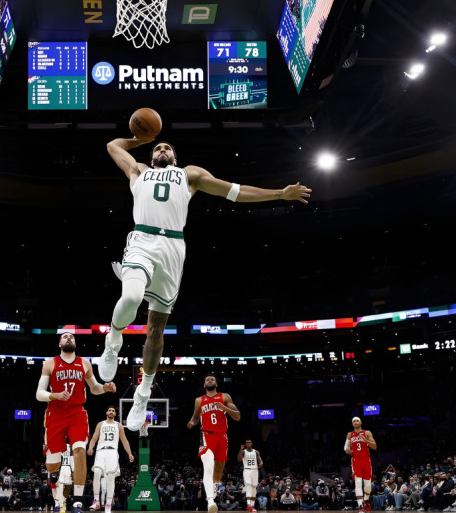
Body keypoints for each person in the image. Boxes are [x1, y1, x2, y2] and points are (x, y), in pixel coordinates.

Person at [98, 136, 311, 430]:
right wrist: (138, 138)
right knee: (132, 297)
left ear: (174, 157)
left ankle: (143, 393)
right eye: (157, 147)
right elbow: (112, 146)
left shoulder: (190, 175)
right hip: (142, 239)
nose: (162, 149)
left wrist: (279, 194)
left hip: (173, 248)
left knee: (156, 331)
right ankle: (113, 341)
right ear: (151, 156)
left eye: (167, 147)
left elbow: (235, 192)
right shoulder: (138, 170)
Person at [36, 332, 117, 513]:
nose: (69, 339)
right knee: (52, 464)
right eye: (65, 337)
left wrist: (104, 388)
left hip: (77, 413)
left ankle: (77, 505)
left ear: (75, 343)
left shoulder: (85, 363)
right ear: (59, 343)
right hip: (55, 414)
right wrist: (54, 395)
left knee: (79, 450)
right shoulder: (50, 363)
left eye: (72, 337)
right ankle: (51, 462)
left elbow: (94, 387)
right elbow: (39, 393)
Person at [187, 373, 241, 513]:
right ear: (204, 385)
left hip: (222, 436)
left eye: (212, 379)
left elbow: (237, 416)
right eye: (207, 379)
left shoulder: (224, 397)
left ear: (216, 384)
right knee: (208, 466)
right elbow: (195, 417)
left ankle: (215, 485)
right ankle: (210, 501)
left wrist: (224, 407)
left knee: (218, 470)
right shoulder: (199, 400)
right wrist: (191, 423)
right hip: (206, 435)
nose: (209, 380)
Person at [88, 406, 134, 513]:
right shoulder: (101, 424)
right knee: (97, 473)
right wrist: (90, 447)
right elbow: (94, 438)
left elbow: (124, 441)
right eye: (109, 410)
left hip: (112, 452)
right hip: (100, 451)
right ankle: (96, 501)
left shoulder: (119, 426)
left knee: (110, 477)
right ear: (106, 412)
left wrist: (130, 453)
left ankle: (108, 504)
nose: (111, 412)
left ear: (115, 414)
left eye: (113, 411)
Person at [344, 416, 377, 513]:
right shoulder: (350, 434)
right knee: (358, 483)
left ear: (361, 422)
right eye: (354, 421)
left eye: (357, 420)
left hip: (366, 459)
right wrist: (349, 451)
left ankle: (366, 500)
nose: (355, 422)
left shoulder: (367, 433)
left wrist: (365, 440)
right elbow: (346, 448)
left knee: (367, 485)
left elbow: (374, 446)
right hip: (356, 460)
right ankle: (360, 506)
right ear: (352, 423)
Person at [238, 439, 263, 512]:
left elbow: (259, 459)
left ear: (252, 444)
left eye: (249, 442)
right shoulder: (243, 452)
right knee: (248, 485)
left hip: (255, 470)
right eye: (247, 443)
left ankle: (252, 505)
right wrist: (240, 450)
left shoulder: (256, 452)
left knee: (254, 487)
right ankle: (248, 504)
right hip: (247, 470)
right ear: (245, 444)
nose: (248, 444)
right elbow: (239, 459)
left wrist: (261, 463)